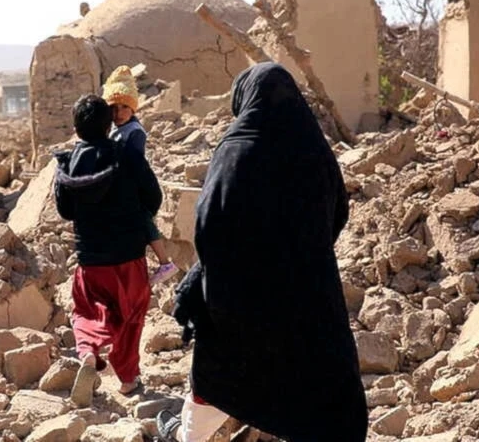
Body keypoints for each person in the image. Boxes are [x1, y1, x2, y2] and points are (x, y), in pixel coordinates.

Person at [157, 63, 367, 442]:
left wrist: (218, 270)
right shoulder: (314, 149)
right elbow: (338, 212)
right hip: (308, 288)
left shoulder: (237, 147)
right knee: (318, 375)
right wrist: (303, 252)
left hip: (240, 292)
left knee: (222, 370)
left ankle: (190, 436)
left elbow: (208, 223)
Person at [53, 94, 163, 405]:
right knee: (130, 316)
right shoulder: (126, 155)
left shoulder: (68, 164)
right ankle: (128, 380)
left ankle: (88, 350)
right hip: (129, 256)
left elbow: (66, 211)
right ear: (108, 124)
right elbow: (154, 197)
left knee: (88, 310)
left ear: (77, 128)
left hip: (91, 259)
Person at [101, 65, 176, 284]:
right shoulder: (117, 129)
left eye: (125, 107)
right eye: (114, 107)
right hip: (125, 186)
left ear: (134, 109)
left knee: (144, 221)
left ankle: (165, 262)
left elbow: (133, 163)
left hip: (137, 187)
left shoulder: (134, 132)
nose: (119, 112)